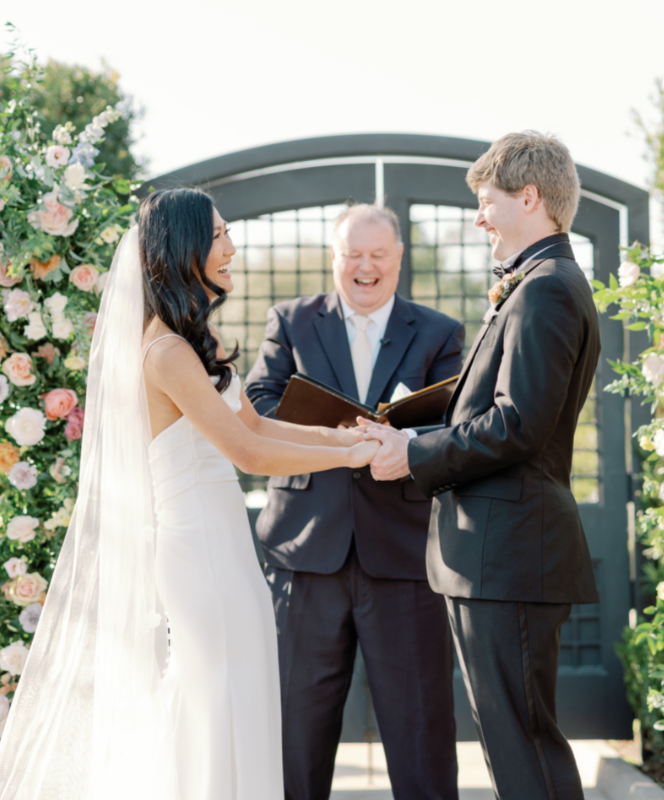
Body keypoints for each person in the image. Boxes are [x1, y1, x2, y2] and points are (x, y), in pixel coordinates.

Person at [0, 188, 378, 800]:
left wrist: (341, 435)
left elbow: (256, 423)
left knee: (239, 692)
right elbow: (245, 454)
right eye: (218, 236)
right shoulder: (164, 351)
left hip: (226, 549)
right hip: (197, 552)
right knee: (210, 700)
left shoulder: (197, 342)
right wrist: (352, 456)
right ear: (182, 247)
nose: (231, 247)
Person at [361, 132, 602, 800]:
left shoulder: (546, 289)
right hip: (500, 553)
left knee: (522, 743)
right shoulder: (538, 283)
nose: (478, 218)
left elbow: (516, 425)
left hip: (510, 554)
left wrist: (414, 453)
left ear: (529, 197)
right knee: (513, 742)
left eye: (487, 202)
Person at [245, 203, 465, 800]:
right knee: (295, 731)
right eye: (352, 255)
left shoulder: (441, 333)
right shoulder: (290, 321)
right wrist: (334, 439)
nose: (364, 268)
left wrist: (402, 442)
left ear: (398, 259)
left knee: (421, 728)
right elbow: (258, 404)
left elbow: (452, 425)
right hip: (302, 552)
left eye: (378, 255)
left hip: (403, 557)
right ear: (333, 258)